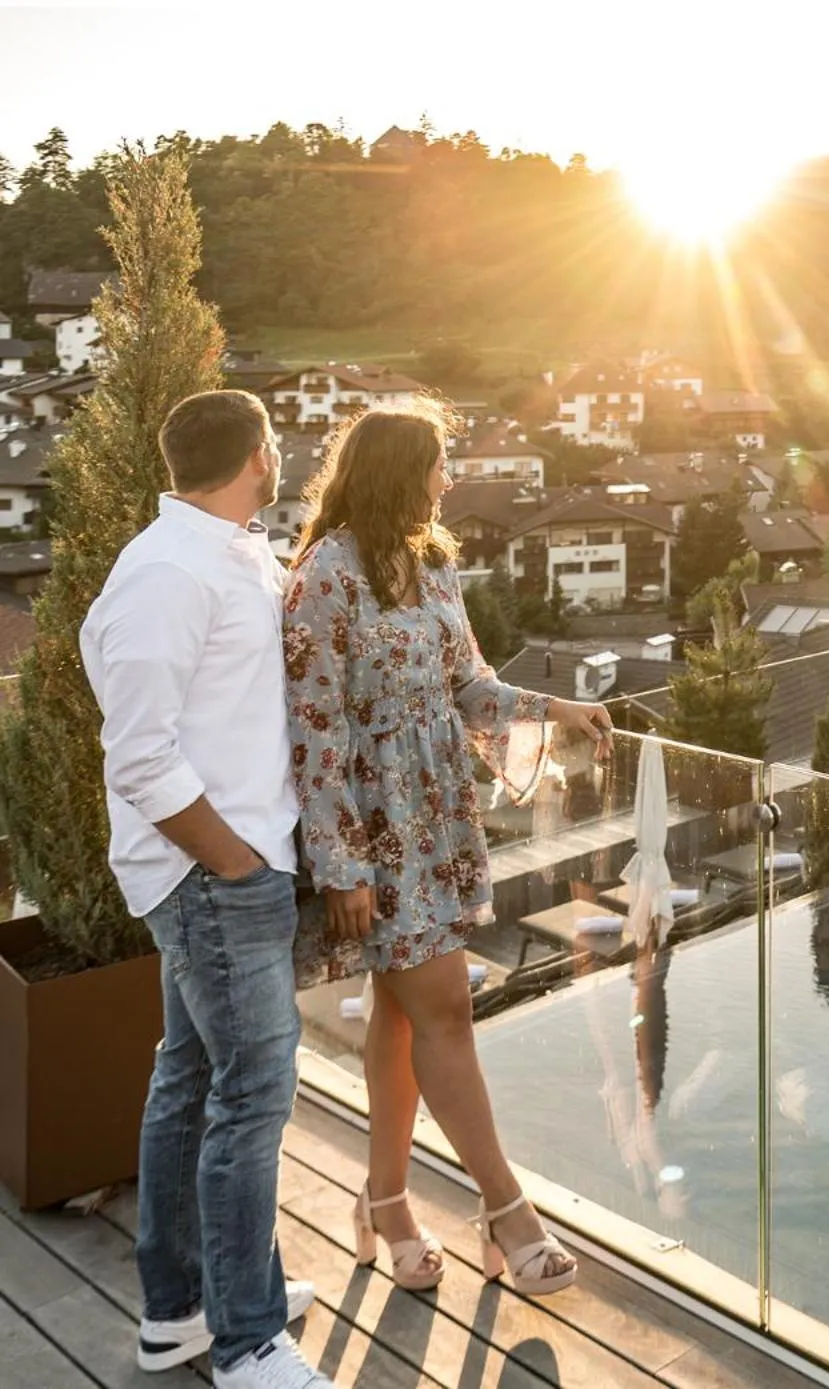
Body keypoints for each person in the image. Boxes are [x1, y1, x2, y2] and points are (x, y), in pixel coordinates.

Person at [284, 402, 611, 1296]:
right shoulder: (324, 575)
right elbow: (312, 729)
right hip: (375, 831)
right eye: (439, 462)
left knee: (402, 1015)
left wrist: (560, 710)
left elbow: (469, 685)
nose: (450, 478)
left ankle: (383, 1202)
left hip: (433, 817)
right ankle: (508, 1212)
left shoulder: (429, 564)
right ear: (397, 469)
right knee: (446, 1013)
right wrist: (340, 862)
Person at [80, 390, 325, 1387]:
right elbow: (140, 756)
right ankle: (248, 1339)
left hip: (231, 868)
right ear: (260, 457)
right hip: (215, 875)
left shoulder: (232, 552)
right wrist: (234, 861)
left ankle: (182, 1309)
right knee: (252, 1098)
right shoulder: (167, 573)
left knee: (189, 1080)